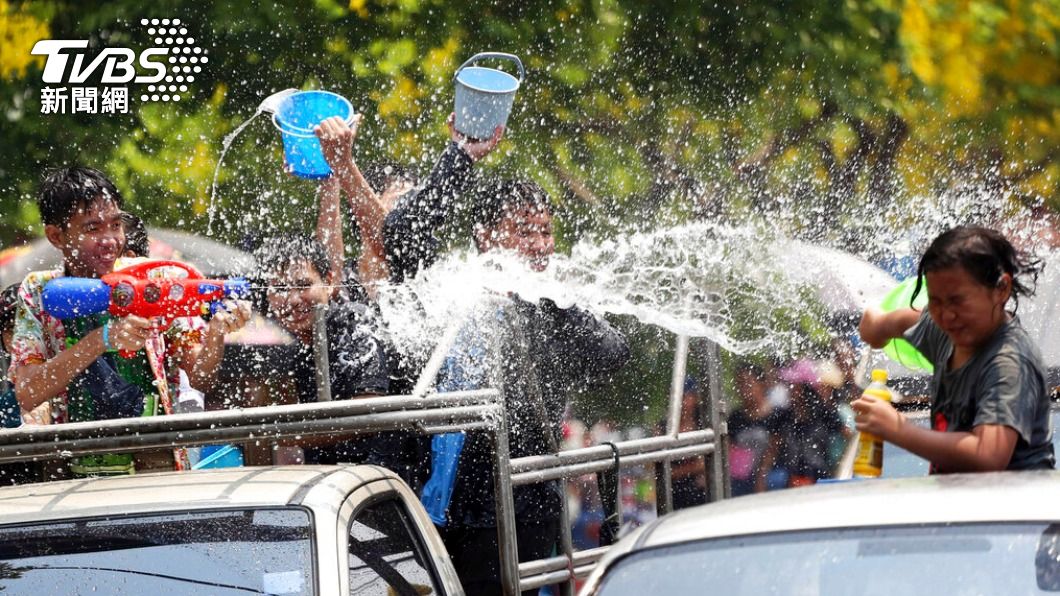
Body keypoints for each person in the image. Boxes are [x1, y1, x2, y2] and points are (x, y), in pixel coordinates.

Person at [417, 178, 630, 596]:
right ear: (485, 238)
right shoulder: (451, 295)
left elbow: (614, 353)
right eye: (524, 230)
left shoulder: (551, 305)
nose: (538, 244)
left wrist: (553, 300)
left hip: (518, 504)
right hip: (435, 505)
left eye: (546, 231)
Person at [8, 167, 250, 475]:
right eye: (93, 228)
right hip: (72, 475)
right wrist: (103, 340)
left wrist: (217, 330)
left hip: (158, 465)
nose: (110, 240)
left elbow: (201, 376)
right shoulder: (38, 291)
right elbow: (28, 391)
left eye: (116, 225)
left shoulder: (156, 279)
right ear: (56, 236)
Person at [855, 226, 1054, 473]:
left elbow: (988, 455)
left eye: (958, 300)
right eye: (935, 301)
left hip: (1014, 508)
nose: (947, 315)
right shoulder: (943, 332)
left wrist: (898, 429)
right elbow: (883, 323)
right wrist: (874, 326)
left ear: (1001, 289)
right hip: (961, 505)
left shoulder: (1008, 362)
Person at [728, 362, 783, 496]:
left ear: (762, 383)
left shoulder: (776, 415)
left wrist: (761, 475)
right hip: (741, 475)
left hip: (772, 473)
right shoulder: (735, 417)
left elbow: (774, 449)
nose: (743, 388)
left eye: (748, 382)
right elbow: (729, 448)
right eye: (739, 383)